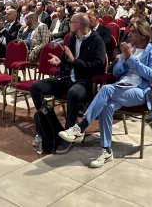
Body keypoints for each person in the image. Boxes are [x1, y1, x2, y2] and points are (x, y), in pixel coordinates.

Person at [58, 19, 152, 168]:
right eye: (130, 31)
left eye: (133, 31)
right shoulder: (130, 47)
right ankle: (106, 151)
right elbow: (115, 72)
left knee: (106, 89)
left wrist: (131, 59)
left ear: (144, 34)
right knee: (107, 106)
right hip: (122, 87)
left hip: (142, 91)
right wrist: (124, 58)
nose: (129, 34)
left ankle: (81, 127)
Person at [29, 13, 106, 154]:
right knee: (35, 87)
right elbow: (65, 59)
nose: (69, 24)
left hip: (85, 82)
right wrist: (60, 61)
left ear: (78, 24)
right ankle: (49, 122)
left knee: (73, 93)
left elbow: (98, 66)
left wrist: (74, 61)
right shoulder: (71, 39)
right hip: (67, 78)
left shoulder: (96, 40)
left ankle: (69, 132)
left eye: (71, 22)